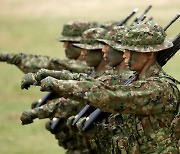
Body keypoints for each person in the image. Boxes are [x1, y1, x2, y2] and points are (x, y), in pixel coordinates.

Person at [28, 21, 179, 153]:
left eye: (130, 51)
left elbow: (111, 96)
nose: (125, 55)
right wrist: (54, 76)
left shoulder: (160, 88)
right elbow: (95, 83)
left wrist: (58, 85)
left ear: (149, 54)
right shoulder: (134, 80)